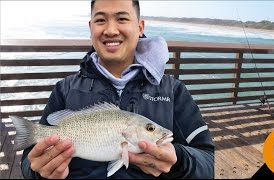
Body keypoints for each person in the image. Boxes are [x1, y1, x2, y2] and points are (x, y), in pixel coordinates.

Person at [20, 0, 215, 178]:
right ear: (90, 28)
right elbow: (30, 162)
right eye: (100, 20)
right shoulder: (64, 89)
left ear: (140, 27)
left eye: (121, 18)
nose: (111, 30)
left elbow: (207, 163)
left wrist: (180, 161)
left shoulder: (174, 91)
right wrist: (40, 172)